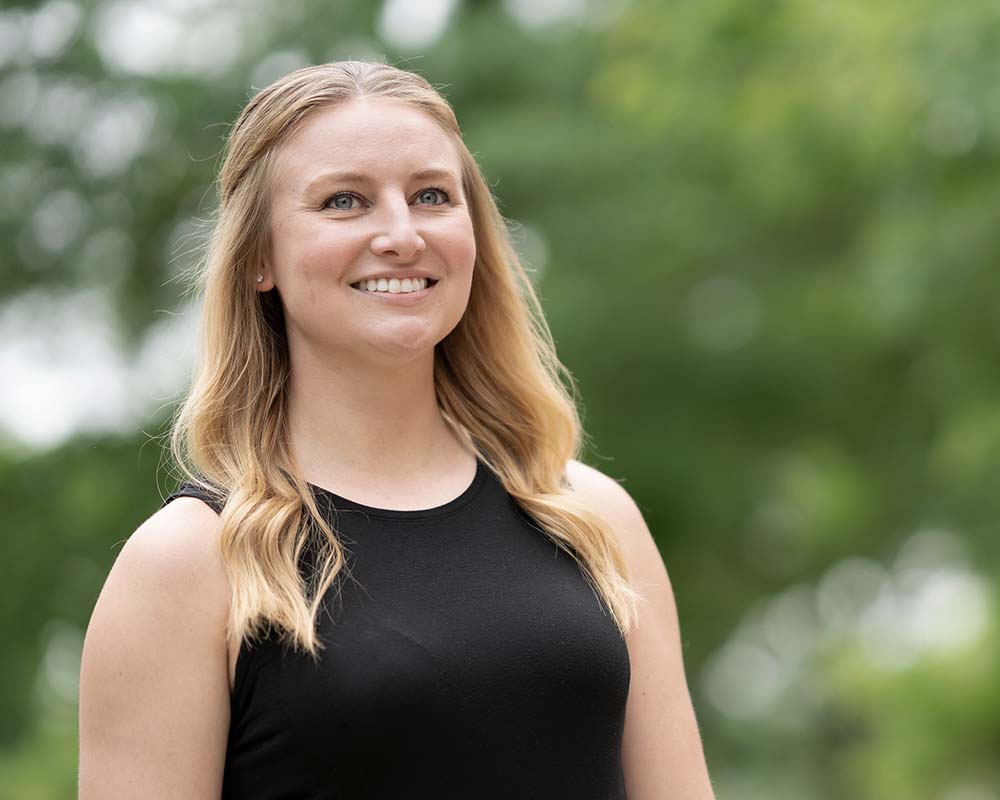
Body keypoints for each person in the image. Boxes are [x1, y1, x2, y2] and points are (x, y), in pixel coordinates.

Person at [78, 60, 716, 799]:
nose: (402, 234)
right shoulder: (190, 563)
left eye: (432, 196)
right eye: (345, 200)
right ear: (260, 258)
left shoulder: (593, 518)